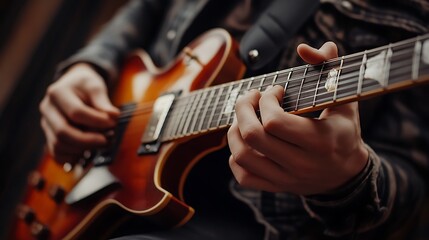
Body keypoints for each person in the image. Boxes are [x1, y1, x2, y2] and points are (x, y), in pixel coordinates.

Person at [39, 0, 429, 239]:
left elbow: (413, 185)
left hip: (252, 224)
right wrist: (90, 64)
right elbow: (150, 5)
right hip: (113, 164)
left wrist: (348, 179)